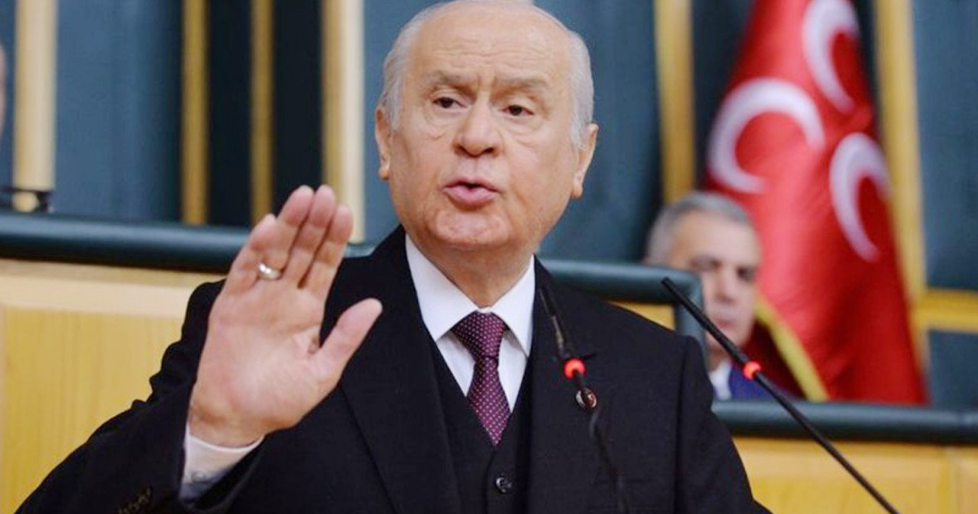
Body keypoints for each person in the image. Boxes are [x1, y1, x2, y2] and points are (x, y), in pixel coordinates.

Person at [18, 2, 768, 513]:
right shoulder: (275, 334)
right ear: (386, 138)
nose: (477, 137)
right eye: (446, 101)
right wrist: (212, 431)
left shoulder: (654, 375)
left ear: (581, 159)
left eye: (517, 109)